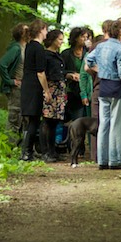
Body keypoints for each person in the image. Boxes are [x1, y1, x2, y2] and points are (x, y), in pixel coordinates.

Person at [84, 18, 121, 169]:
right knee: (117, 125)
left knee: (104, 124)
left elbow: (88, 60)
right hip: (118, 89)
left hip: (104, 87)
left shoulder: (100, 46)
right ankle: (115, 160)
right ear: (120, 32)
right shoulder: (120, 49)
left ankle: (102, 160)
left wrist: (100, 70)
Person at [18, 18, 51, 161]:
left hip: (27, 85)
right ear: (41, 30)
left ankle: (27, 151)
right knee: (34, 120)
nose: (47, 33)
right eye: (46, 29)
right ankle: (26, 152)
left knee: (31, 120)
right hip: (34, 87)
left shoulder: (29, 46)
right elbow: (40, 72)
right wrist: (47, 91)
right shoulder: (38, 48)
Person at [40, 28, 68, 160]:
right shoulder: (45, 55)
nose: (62, 42)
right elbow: (43, 73)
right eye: (60, 39)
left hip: (59, 89)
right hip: (50, 88)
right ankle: (45, 151)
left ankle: (52, 151)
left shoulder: (58, 55)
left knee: (55, 121)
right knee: (47, 120)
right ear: (52, 40)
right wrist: (46, 91)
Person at [0, 23, 25, 147]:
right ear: (21, 33)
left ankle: (17, 146)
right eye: (26, 30)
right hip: (16, 89)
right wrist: (9, 81)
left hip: (23, 88)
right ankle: (9, 147)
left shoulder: (25, 48)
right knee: (14, 117)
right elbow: (2, 64)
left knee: (21, 118)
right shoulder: (16, 48)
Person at [63, 27, 93, 126]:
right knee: (77, 120)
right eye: (83, 37)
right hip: (73, 91)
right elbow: (60, 71)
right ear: (75, 38)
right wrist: (70, 74)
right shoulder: (66, 54)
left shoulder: (89, 53)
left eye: (87, 37)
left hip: (88, 90)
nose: (85, 39)